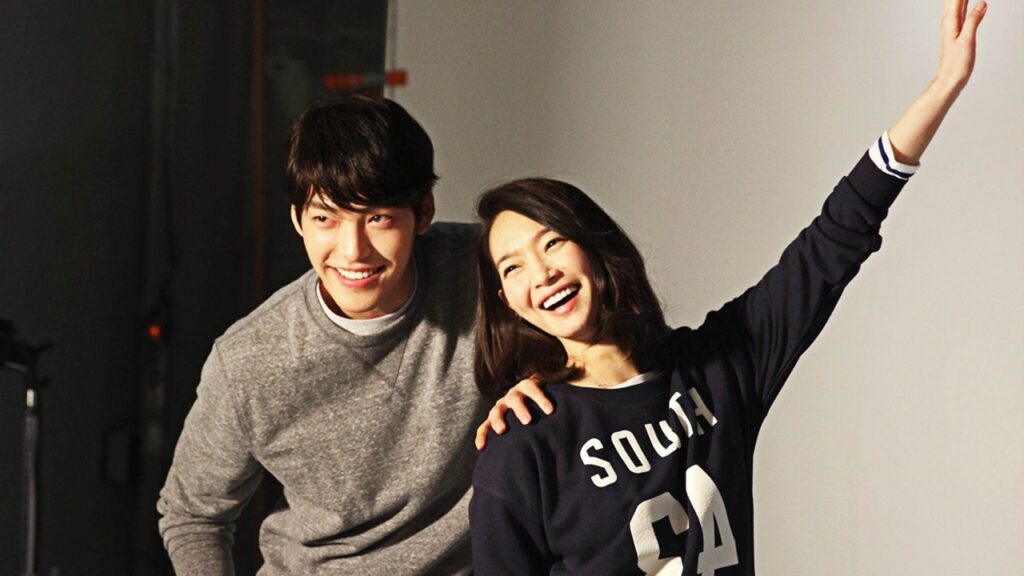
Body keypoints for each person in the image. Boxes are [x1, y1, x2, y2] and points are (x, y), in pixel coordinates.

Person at [469, 1, 987, 574]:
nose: (540, 274)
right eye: (512, 268)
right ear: (506, 302)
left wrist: (943, 86)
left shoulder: (717, 369)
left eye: (552, 243)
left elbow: (833, 240)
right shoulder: (522, 445)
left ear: (595, 246)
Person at [158, 95, 495, 575]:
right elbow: (192, 515)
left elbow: (596, 317)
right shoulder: (250, 359)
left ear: (423, 212)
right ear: (298, 219)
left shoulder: (491, 271)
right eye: (326, 219)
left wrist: (555, 374)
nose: (352, 251)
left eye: (377, 218)